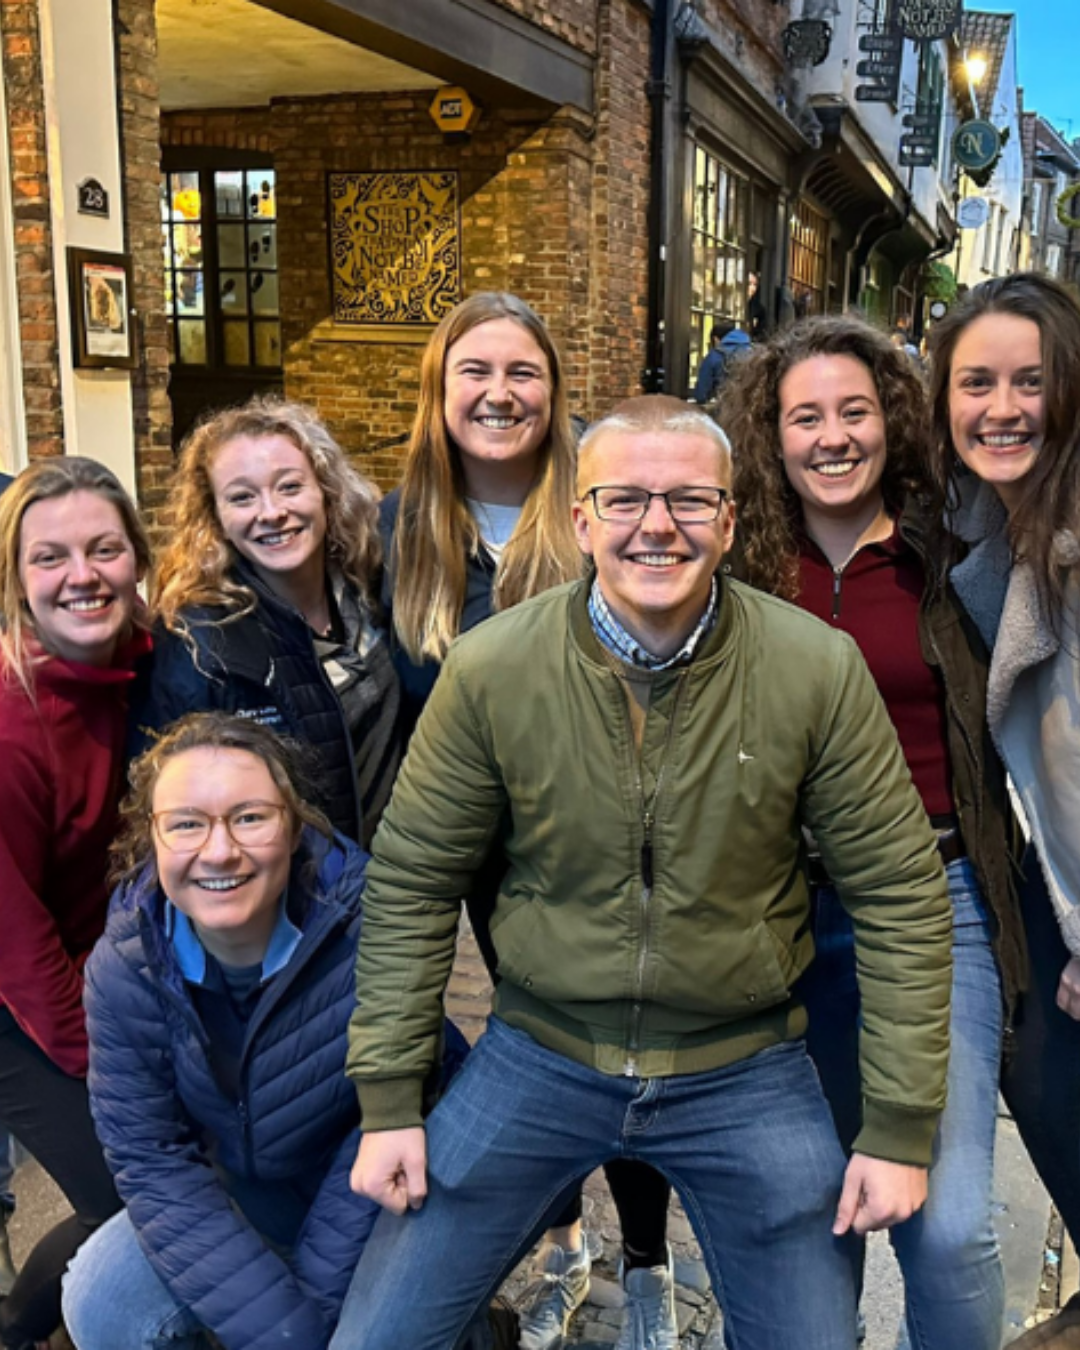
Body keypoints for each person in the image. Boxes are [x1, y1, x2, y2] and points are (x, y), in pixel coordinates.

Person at [329, 395, 953, 1350]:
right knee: (380, 1336)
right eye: (624, 499)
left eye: (689, 501)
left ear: (730, 520)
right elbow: (414, 876)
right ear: (581, 520)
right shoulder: (494, 667)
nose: (656, 526)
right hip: (542, 1051)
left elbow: (900, 891)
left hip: (744, 1063)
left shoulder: (813, 670)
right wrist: (391, 1102)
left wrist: (897, 1126)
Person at [722, 314, 1024, 1350]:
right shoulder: (739, 563)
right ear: (772, 433)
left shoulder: (955, 553)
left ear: (893, 422)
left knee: (947, 1228)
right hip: (777, 914)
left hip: (934, 898)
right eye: (805, 416)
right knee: (807, 1212)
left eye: (855, 410)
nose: (832, 436)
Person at [382, 291, 675, 1350]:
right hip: (480, 858)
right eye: (477, 372)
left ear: (555, 393)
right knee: (532, 1047)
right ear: (440, 391)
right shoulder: (401, 529)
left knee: (626, 1045)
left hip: (606, 837)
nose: (501, 393)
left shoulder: (601, 506)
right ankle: (563, 1240)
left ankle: (647, 1257)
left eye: (523, 373)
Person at [925, 273, 1080, 1349]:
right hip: (1038, 885)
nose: (1002, 406)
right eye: (976, 382)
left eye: (1030, 381)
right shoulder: (990, 523)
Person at [0, 457, 151, 1350]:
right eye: (49, 557)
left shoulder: (150, 665)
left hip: (102, 975)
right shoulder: (15, 721)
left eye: (103, 548)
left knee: (165, 1192)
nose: (81, 575)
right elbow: (15, 939)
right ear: (17, 580)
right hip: (20, 1001)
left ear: (136, 557)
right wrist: (102, 1065)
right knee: (137, 1196)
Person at [134, 397, 400, 849]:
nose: (271, 512)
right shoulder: (195, 643)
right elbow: (168, 811)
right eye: (242, 497)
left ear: (327, 492)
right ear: (215, 517)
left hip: (387, 884)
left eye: (290, 487)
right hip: (288, 901)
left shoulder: (372, 590)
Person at [691, 322, 750, 406]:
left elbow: (702, 393)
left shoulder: (714, 356)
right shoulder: (754, 352)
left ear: (715, 339)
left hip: (725, 409)